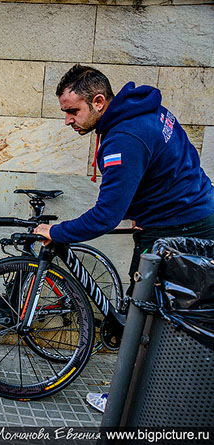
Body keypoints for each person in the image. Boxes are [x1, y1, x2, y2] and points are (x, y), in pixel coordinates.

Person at [33, 64, 214, 412]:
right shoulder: (147, 110)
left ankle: (126, 403)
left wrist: (56, 231)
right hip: (191, 215)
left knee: (145, 316)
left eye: (73, 111)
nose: (68, 120)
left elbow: (106, 215)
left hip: (177, 231)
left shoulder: (124, 138)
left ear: (99, 101)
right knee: (170, 315)